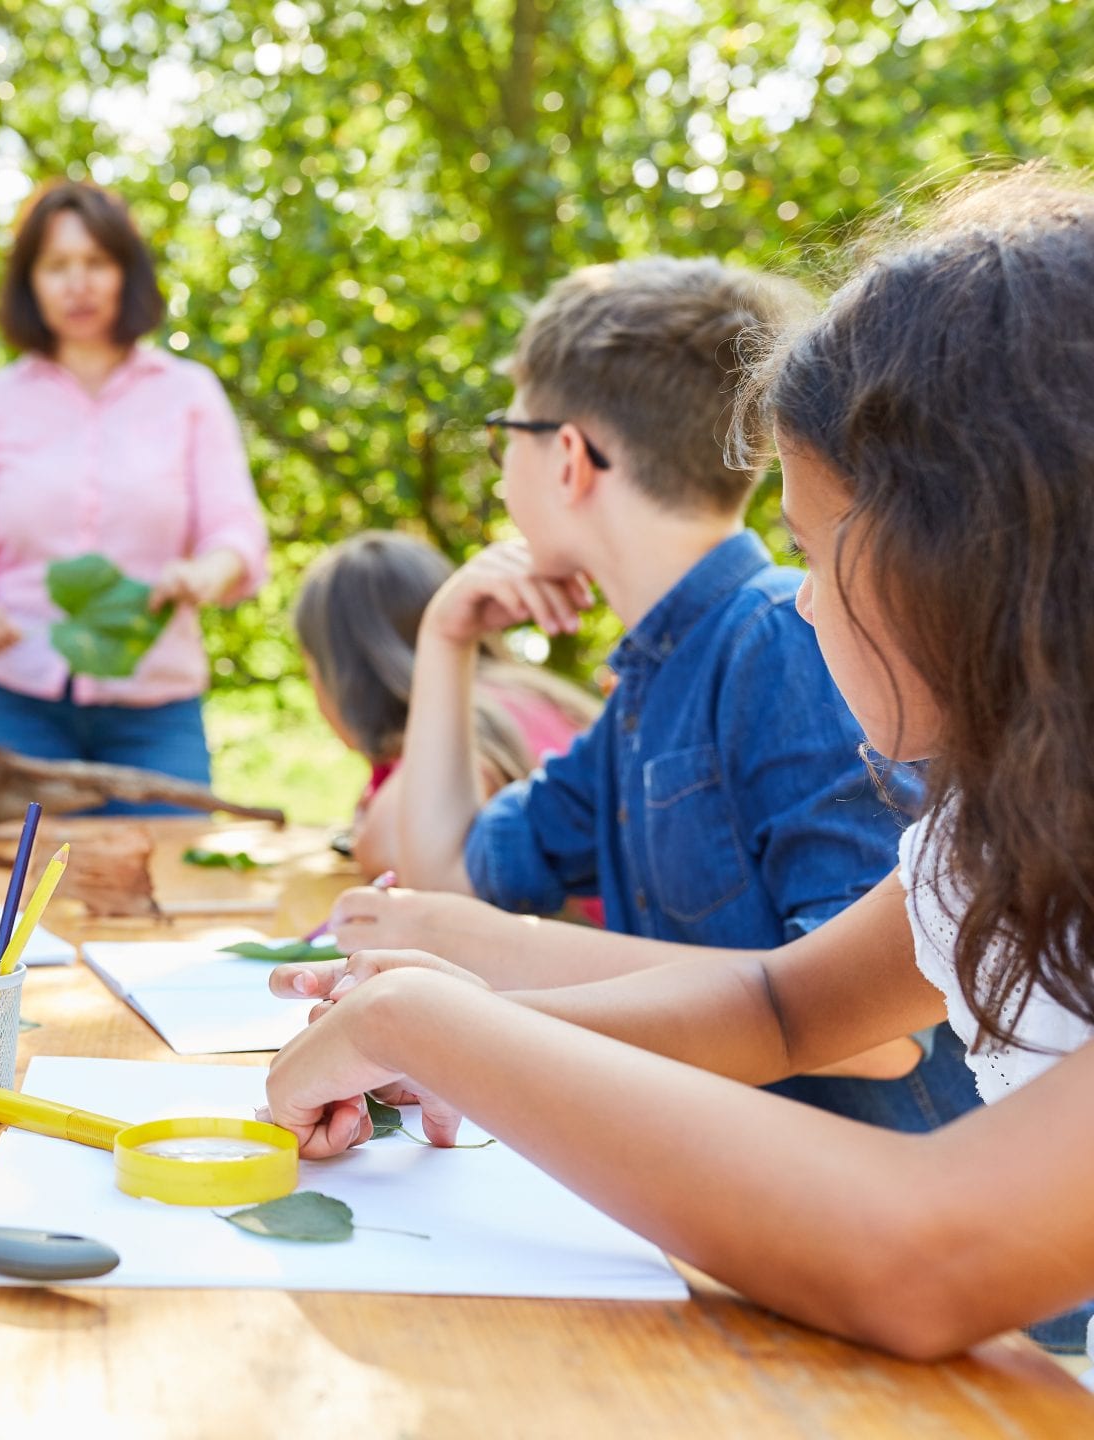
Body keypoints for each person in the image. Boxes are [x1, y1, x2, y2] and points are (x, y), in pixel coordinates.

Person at [266, 169, 1094, 1362]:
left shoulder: (763, 648)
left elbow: (926, 1253)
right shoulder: (990, 829)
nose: (802, 602)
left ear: (958, 556)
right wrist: (456, 1034)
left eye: (812, 551)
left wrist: (436, 1027)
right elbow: (779, 1002)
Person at [326, 256, 972, 1130]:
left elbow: (877, 1037)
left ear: (565, 457)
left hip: (859, 1204)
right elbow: (452, 876)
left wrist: (497, 949)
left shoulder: (783, 636)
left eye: (502, 432)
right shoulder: (646, 686)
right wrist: (447, 640)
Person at [0, 181, 269, 805]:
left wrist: (206, 574)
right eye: (56, 267)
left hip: (155, 707)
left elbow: (236, 533)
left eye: (95, 263)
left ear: (125, 274)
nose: (77, 284)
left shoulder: (188, 394)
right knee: (16, 897)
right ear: (30, 282)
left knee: (171, 886)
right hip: (14, 702)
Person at [292, 530, 599, 882]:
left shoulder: (476, 719)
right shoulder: (524, 691)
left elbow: (395, 851)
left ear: (345, 676)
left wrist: (365, 835)